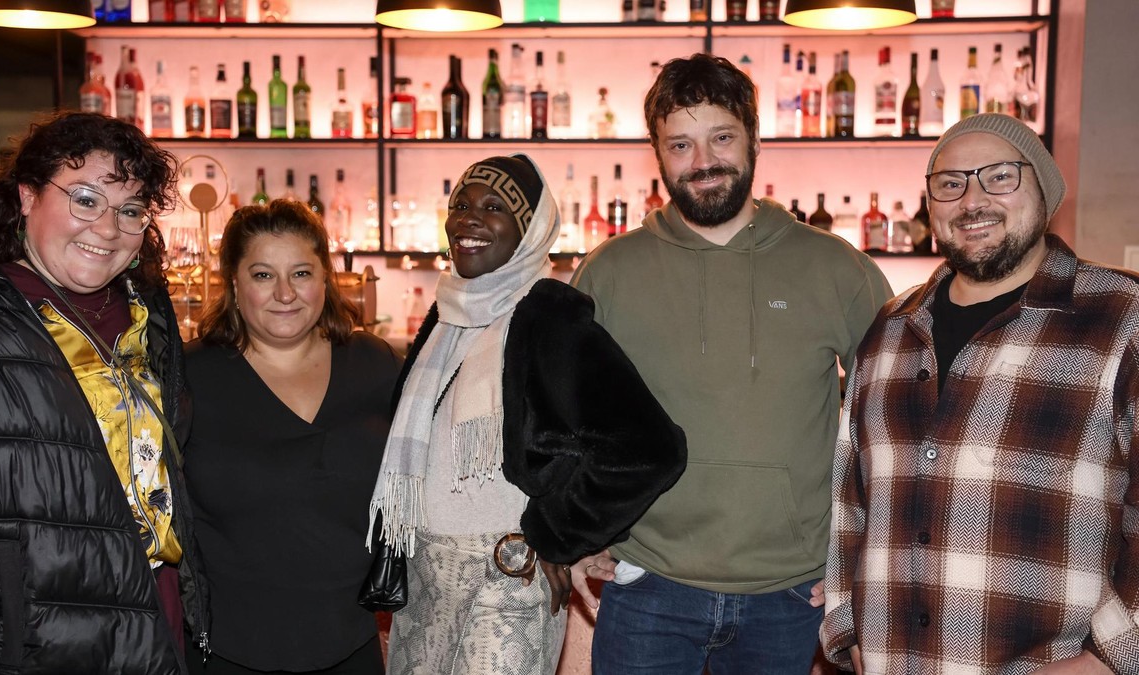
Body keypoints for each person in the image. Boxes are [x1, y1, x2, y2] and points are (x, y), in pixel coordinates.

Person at [569, 54, 893, 675]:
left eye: (721, 137)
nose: (704, 162)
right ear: (657, 154)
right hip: (646, 584)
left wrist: (863, 557)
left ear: (754, 139)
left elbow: (896, 418)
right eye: (681, 145)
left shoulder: (834, 268)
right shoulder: (609, 270)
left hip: (792, 591)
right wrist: (576, 536)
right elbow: (568, 417)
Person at [822, 113, 1139, 674]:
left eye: (999, 176)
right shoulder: (890, 329)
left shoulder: (1120, 317)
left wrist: (1105, 660)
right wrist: (848, 629)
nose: (971, 200)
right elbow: (851, 501)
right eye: (950, 183)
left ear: (1044, 190)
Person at [369, 154, 687, 675]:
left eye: (493, 207)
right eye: (461, 205)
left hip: (505, 582)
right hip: (425, 579)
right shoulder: (446, 313)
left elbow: (649, 448)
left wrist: (555, 534)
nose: (469, 219)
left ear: (530, 230)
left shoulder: (550, 315)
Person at [0, 111, 203, 673]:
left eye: (130, 210)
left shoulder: (146, 314)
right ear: (28, 195)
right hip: (32, 643)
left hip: (159, 618)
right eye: (85, 199)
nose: (108, 228)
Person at [183, 199, 400, 674]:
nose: (285, 293)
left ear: (326, 278)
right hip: (228, 652)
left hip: (352, 645)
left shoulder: (374, 363)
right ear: (234, 285)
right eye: (263, 275)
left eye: (301, 273)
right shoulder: (188, 377)